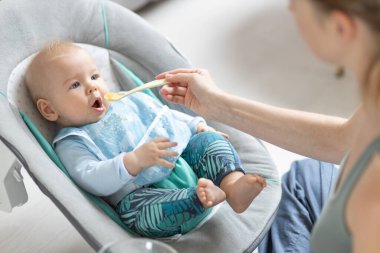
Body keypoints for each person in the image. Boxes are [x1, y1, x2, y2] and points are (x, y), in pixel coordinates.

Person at [156, 0, 380, 252]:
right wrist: (218, 105)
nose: (291, 8)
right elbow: (344, 139)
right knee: (306, 177)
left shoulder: (371, 198)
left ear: (340, 27)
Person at [24, 41, 267, 238]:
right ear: (49, 110)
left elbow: (162, 116)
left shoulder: (125, 101)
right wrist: (132, 162)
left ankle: (232, 184)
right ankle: (200, 198)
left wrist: (196, 126)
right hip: (141, 194)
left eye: (95, 76)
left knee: (208, 141)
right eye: (75, 85)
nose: (92, 88)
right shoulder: (72, 141)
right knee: (141, 217)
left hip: (181, 158)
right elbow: (90, 177)